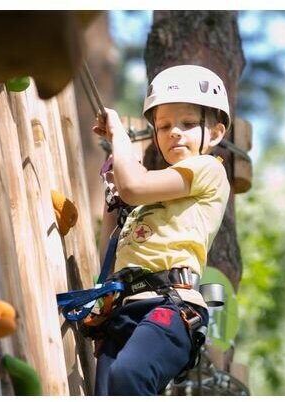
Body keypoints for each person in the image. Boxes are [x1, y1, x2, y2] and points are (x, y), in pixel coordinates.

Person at [90, 64, 231, 395]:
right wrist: (113, 203)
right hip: (124, 311)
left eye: (188, 123)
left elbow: (135, 186)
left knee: (128, 375)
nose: (174, 132)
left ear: (215, 133)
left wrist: (120, 139)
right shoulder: (146, 198)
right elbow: (110, 257)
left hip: (171, 305)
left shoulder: (208, 169)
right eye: (164, 125)